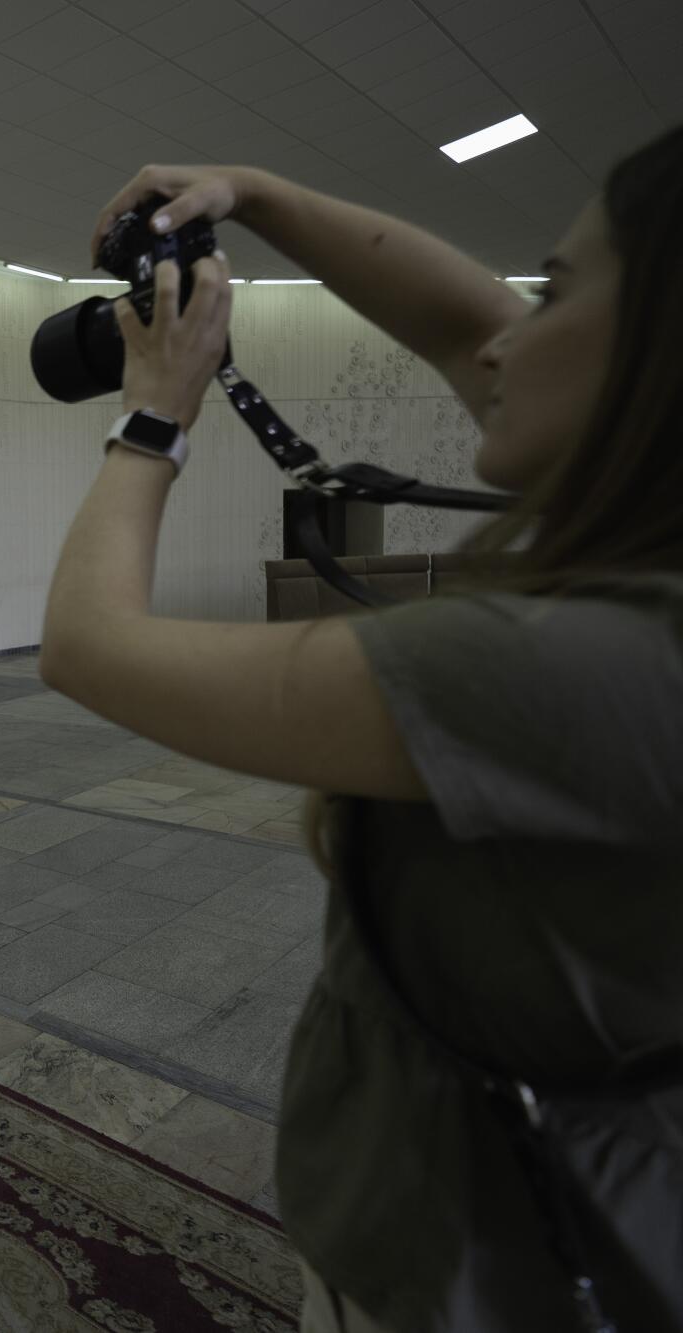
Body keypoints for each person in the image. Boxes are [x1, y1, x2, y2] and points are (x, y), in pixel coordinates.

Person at [40, 131, 683, 1333]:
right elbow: (460, 324)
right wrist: (261, 192)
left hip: (461, 1258)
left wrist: (153, 418)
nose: (499, 333)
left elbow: (88, 646)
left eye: (550, 295)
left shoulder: (602, 665)